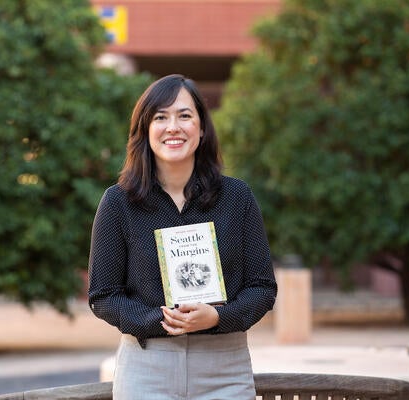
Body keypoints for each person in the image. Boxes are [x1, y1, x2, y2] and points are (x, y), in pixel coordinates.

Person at [88, 74, 277, 400]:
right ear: (145, 131)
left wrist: (218, 316)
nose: (173, 127)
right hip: (147, 368)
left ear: (202, 129)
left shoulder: (237, 197)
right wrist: (157, 320)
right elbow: (103, 295)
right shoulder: (118, 202)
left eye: (184, 116)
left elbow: (262, 288)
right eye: (160, 117)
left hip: (224, 368)